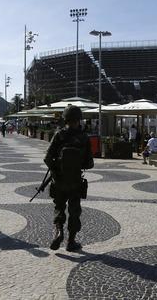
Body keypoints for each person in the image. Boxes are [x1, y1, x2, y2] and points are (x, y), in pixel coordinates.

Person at [44, 105, 94, 252]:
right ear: (79, 120)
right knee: (74, 211)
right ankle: (71, 241)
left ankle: (58, 232)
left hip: (59, 181)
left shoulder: (59, 135)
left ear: (65, 119)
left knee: (59, 207)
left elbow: (47, 158)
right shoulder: (84, 138)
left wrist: (56, 171)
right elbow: (89, 163)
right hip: (75, 181)